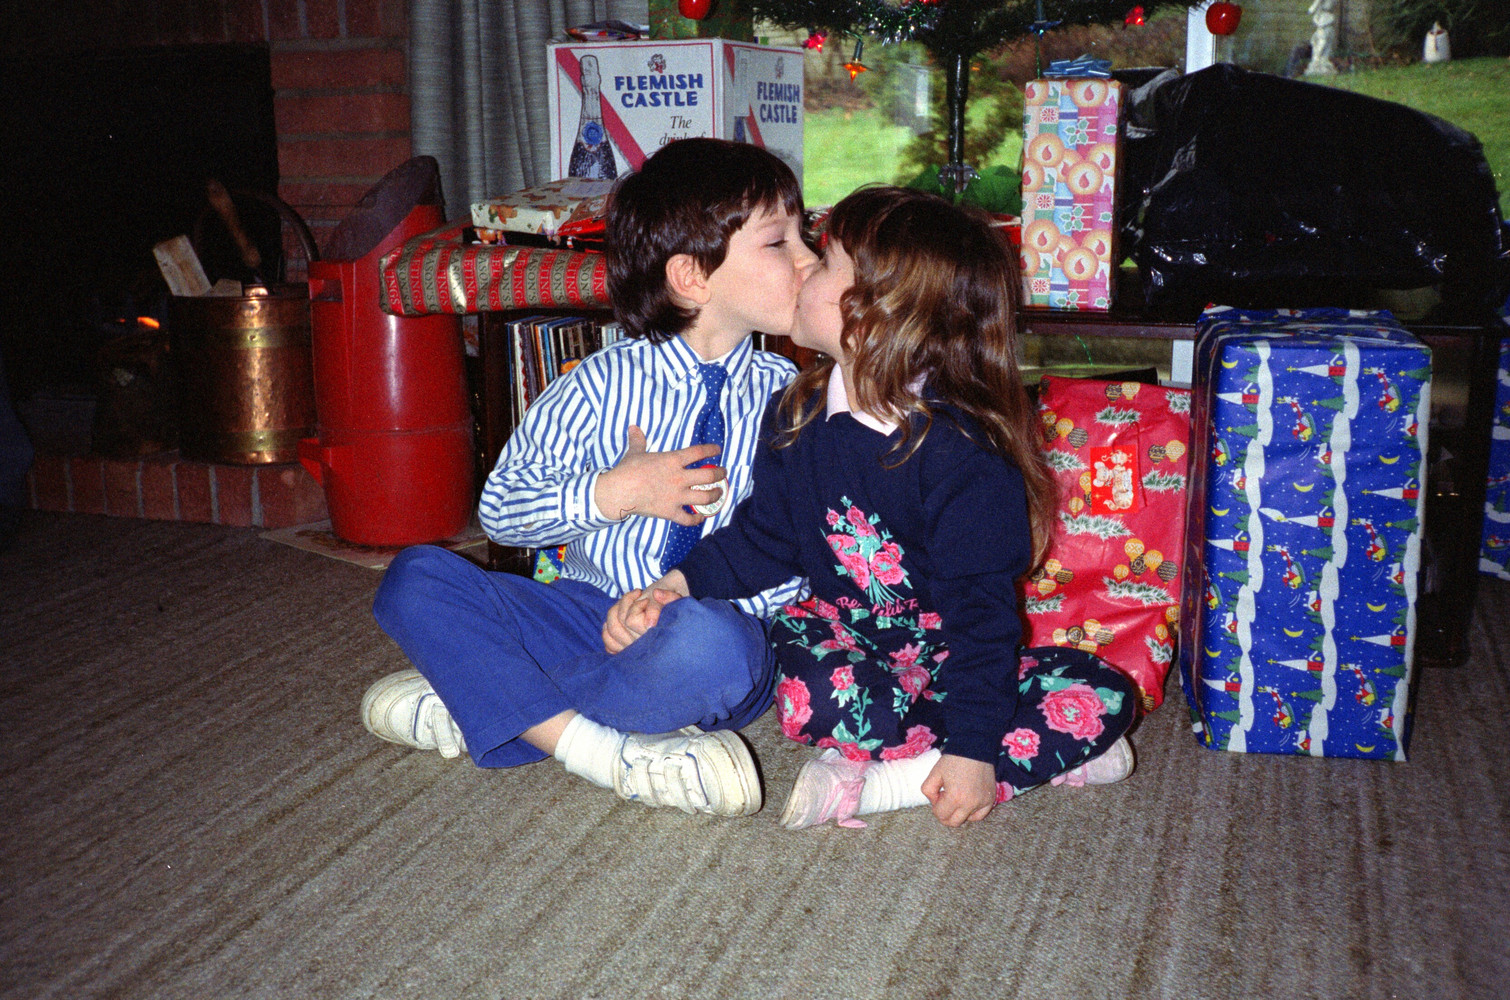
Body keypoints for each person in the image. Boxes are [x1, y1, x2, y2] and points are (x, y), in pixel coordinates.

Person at [604, 186, 1138, 830]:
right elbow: (766, 537)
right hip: (847, 635)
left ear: (880, 314)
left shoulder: (962, 456)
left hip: (949, 646)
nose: (803, 265)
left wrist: (973, 748)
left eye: (825, 260)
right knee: (804, 678)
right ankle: (1028, 756)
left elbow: (981, 620)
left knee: (1105, 691)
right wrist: (676, 583)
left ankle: (901, 780)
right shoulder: (795, 415)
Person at [362, 138, 819, 817]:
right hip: (582, 612)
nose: (811, 259)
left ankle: (497, 701)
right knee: (416, 578)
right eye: (781, 243)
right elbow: (501, 511)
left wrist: (671, 603)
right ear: (692, 277)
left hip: (713, 629)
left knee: (715, 648)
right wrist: (614, 492)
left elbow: (797, 548)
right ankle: (604, 751)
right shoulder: (597, 385)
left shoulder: (795, 398)